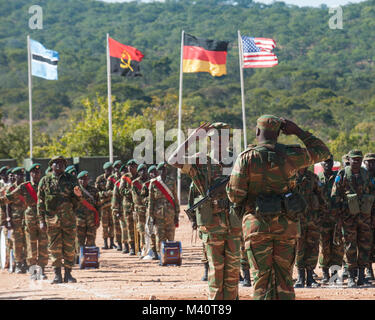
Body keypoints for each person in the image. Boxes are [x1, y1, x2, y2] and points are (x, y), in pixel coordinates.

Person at [226, 115, 330, 300]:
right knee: (285, 279)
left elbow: (235, 195)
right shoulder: (292, 155)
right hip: (286, 226)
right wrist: (298, 131)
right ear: (279, 133)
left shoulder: (246, 158)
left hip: (257, 226)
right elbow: (323, 151)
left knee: (261, 279)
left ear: (257, 131)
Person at [168, 122, 240, 300]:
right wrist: (192, 139)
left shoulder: (237, 160)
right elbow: (173, 159)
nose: (221, 142)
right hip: (212, 223)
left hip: (234, 222)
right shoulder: (201, 160)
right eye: (216, 139)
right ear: (209, 141)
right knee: (216, 271)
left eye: (224, 138)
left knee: (233, 272)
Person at [332, 150, 375, 287]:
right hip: (348, 217)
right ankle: (351, 276)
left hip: (364, 217)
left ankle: (361, 275)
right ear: (349, 160)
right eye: (353, 159)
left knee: (364, 246)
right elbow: (335, 195)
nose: (356, 162)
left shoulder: (366, 175)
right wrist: (338, 215)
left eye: (358, 159)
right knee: (350, 246)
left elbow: (373, 192)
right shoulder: (343, 174)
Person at [37, 156, 82, 284]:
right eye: (56, 163)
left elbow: (77, 201)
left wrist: (78, 196)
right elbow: (40, 203)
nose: (59, 165)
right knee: (54, 248)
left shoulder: (71, 179)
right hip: (52, 221)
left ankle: (68, 274)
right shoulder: (45, 181)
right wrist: (41, 221)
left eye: (62, 163)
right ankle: (57, 275)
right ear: (51, 165)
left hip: (68, 220)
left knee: (69, 247)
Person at [0, 164, 48, 280]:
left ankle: (41, 271)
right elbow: (9, 197)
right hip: (30, 220)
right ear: (30, 174)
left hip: (43, 219)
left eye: (38, 173)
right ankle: (33, 272)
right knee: (31, 247)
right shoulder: (24, 187)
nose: (36, 175)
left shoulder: (45, 185)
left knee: (43, 246)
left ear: (40, 174)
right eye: (33, 172)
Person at [294, 167, 326, 288]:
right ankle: (300, 277)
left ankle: (310, 277)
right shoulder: (291, 177)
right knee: (299, 247)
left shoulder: (313, 177)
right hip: (297, 219)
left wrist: (321, 215)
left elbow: (321, 196)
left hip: (313, 219)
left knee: (312, 247)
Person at [318, 155, 344, 284]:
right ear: (322, 164)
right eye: (325, 162)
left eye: (330, 162)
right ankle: (325, 275)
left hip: (336, 218)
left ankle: (334, 276)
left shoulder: (338, 177)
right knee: (324, 247)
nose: (328, 164)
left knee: (337, 247)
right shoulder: (317, 179)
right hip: (322, 219)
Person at [148, 162, 180, 258]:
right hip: (158, 215)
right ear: (158, 171)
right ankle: (161, 256)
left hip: (170, 214)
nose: (163, 171)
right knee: (159, 237)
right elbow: (151, 201)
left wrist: (177, 215)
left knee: (170, 237)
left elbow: (175, 199)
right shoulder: (154, 183)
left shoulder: (172, 181)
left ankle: (170, 257)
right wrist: (151, 217)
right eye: (161, 170)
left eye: (164, 169)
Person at [0, 167, 28, 274]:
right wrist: (8, 219)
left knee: (26, 242)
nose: (20, 177)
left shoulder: (27, 187)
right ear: (14, 176)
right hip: (15, 219)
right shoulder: (10, 189)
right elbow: (7, 205)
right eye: (18, 175)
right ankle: (18, 264)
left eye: (22, 175)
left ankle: (25, 261)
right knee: (17, 242)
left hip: (26, 219)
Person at [118, 159, 138, 255]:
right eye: (129, 166)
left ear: (136, 167)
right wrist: (130, 192)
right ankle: (132, 247)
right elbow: (121, 190)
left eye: (132, 166)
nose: (130, 168)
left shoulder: (140, 177)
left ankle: (140, 246)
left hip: (138, 206)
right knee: (130, 227)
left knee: (139, 226)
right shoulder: (125, 177)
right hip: (128, 206)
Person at [76, 171, 100, 247]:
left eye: (85, 179)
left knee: (91, 241)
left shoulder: (94, 190)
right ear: (78, 180)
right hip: (79, 221)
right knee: (79, 242)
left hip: (91, 221)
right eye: (81, 179)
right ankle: (79, 258)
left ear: (88, 179)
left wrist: (99, 219)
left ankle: (90, 258)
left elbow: (98, 206)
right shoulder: (75, 191)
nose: (83, 181)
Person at [95, 162, 115, 250]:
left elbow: (116, 191)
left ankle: (112, 243)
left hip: (112, 205)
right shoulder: (99, 179)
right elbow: (96, 192)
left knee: (112, 224)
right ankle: (105, 243)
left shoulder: (114, 179)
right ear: (105, 170)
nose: (110, 171)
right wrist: (106, 193)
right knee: (105, 225)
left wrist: (108, 194)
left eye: (111, 170)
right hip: (103, 206)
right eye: (108, 170)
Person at [131, 164, 149, 256]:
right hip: (140, 210)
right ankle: (143, 249)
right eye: (141, 170)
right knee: (142, 230)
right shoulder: (135, 183)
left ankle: (151, 248)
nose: (143, 172)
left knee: (151, 229)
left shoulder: (151, 181)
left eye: (144, 170)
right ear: (138, 172)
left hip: (150, 209)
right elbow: (137, 199)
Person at [106, 160, 123, 250]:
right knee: (116, 226)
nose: (117, 169)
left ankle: (127, 244)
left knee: (125, 226)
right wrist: (115, 192)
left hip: (124, 204)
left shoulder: (125, 178)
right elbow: (107, 191)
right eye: (116, 167)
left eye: (119, 167)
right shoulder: (111, 178)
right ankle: (119, 243)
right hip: (115, 204)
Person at [363, 153, 375, 280]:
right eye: (369, 162)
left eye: (374, 162)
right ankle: (368, 269)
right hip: (366, 217)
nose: (371, 165)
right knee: (367, 244)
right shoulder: (362, 177)